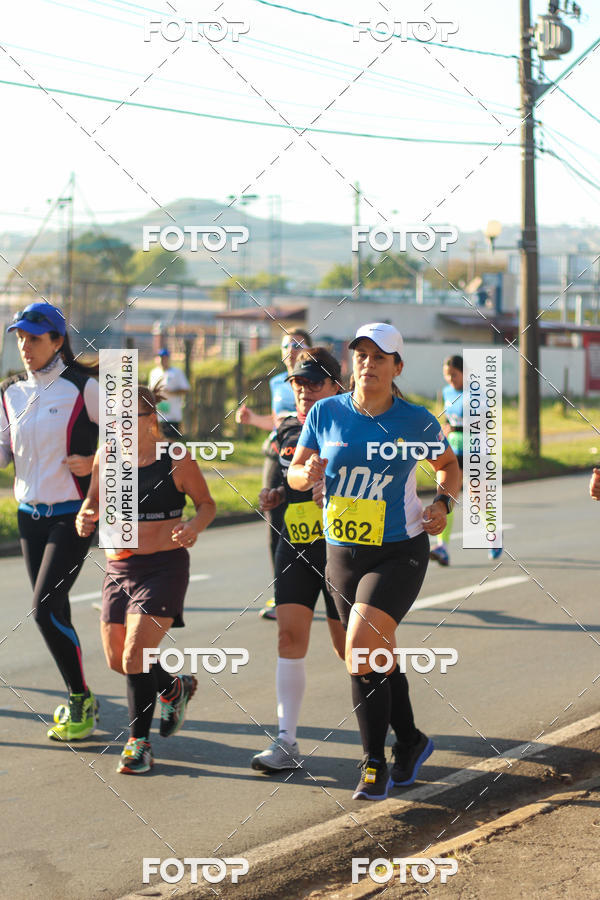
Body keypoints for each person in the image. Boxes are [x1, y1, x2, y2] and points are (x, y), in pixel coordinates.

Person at [288, 323, 460, 801]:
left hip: (398, 549)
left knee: (362, 647)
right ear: (351, 363)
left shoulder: (416, 422)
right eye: (360, 354)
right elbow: (297, 474)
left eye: (379, 356)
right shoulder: (325, 413)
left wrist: (442, 506)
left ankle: (372, 763)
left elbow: (448, 467)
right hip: (341, 551)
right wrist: (308, 472)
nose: (368, 363)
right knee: (370, 655)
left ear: (396, 367)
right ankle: (410, 739)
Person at [76, 386, 216, 774]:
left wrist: (193, 526)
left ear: (150, 419)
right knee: (119, 660)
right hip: (119, 569)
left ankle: (139, 744)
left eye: (129, 417)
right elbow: (93, 501)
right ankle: (174, 687)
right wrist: (84, 516)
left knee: (136, 653)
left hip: (164, 567)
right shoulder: (107, 457)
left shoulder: (175, 457)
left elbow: (207, 504)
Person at [0, 302, 99, 741]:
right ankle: (167, 685)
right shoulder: (10, 393)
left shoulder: (84, 386)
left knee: (42, 611)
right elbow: (4, 454)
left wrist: (96, 460)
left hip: (72, 516)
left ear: (58, 341)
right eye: (20, 337)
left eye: (34, 338)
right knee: (54, 610)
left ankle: (81, 700)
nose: (25, 346)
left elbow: (138, 441)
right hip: (28, 518)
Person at [251, 348, 346, 773]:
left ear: (336, 387)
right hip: (296, 543)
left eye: (313, 382)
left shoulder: (353, 427)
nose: (303, 391)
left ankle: (384, 730)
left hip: (344, 548)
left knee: (353, 649)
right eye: (297, 383)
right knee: (288, 640)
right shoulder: (286, 430)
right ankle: (286, 740)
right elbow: (276, 489)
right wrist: (273, 497)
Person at [235, 330, 312, 620]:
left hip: (309, 458)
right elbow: (277, 421)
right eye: (286, 345)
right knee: (275, 521)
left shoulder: (319, 381)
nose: (291, 350)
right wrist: (253, 420)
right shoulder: (277, 383)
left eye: (298, 345)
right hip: (276, 454)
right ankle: (283, 593)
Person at [430, 355, 464, 567]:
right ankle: (442, 547)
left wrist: (458, 428)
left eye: (454, 375)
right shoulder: (446, 392)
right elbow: (447, 419)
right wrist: (445, 429)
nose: (450, 379)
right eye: (446, 375)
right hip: (453, 450)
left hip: (474, 450)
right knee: (446, 496)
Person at [148, 348, 190, 440]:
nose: (162, 360)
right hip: (158, 413)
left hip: (172, 414)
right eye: (160, 358)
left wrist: (171, 392)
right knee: (158, 439)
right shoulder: (154, 373)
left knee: (171, 440)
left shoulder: (176, 372)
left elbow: (186, 389)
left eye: (165, 358)